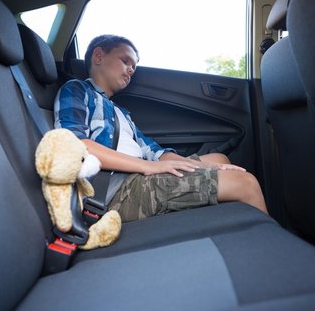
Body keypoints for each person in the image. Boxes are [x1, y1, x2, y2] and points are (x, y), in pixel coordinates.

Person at [54, 34, 267, 222]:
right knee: (245, 183)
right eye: (125, 60)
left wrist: (198, 167)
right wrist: (146, 167)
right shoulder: (77, 90)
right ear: (98, 56)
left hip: (137, 177)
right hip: (114, 192)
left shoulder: (122, 113)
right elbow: (74, 144)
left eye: (134, 67)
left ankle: (236, 225)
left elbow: (153, 151)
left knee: (219, 160)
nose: (130, 69)